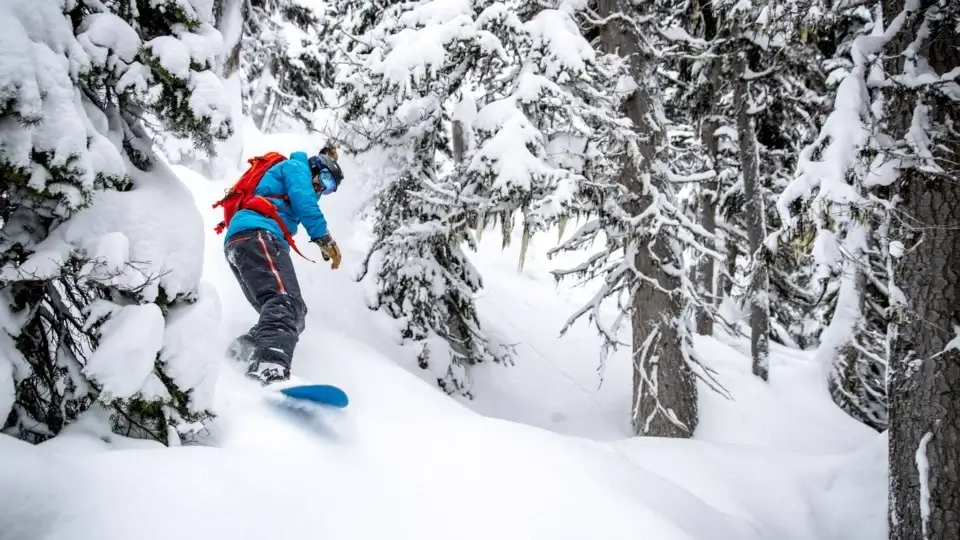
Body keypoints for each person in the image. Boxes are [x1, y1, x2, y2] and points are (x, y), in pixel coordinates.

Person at [222, 144, 344, 385]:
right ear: (315, 167)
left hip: (248, 241)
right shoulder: (296, 167)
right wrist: (324, 238)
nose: (323, 188)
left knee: (295, 311)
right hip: (258, 234)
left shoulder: (299, 175)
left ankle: (240, 355)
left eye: (330, 189)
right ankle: (268, 365)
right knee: (283, 302)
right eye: (326, 179)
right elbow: (305, 202)